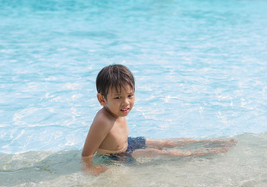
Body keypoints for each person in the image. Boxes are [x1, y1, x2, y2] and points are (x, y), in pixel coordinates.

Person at [82, 64, 236, 175]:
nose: (126, 102)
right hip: (117, 156)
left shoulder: (117, 112)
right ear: (102, 99)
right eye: (118, 97)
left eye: (130, 95)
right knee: (162, 153)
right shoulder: (102, 121)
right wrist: (91, 169)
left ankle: (212, 141)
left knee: (166, 143)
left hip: (129, 143)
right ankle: (203, 153)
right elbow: (86, 154)